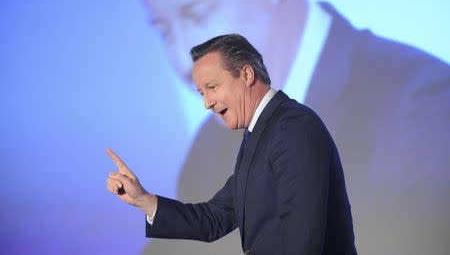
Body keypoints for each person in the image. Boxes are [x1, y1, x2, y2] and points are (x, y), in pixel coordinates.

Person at [133, 0, 450, 254]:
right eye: (163, 30)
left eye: (197, 14)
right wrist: (148, 203)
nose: (179, 60)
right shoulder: (208, 147)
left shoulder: (423, 102)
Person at [106, 34, 357, 254]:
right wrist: (143, 200)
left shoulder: (293, 126)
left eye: (212, 87)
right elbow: (214, 218)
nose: (207, 102)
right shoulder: (260, 133)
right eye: (202, 93)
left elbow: (303, 236)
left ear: (246, 74)